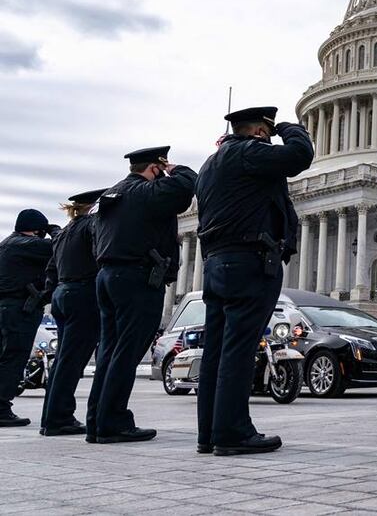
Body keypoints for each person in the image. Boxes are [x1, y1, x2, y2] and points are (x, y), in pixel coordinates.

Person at [194, 106, 314, 456]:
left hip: (217, 264)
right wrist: (290, 128)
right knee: (240, 350)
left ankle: (210, 433)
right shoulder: (249, 152)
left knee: (216, 351)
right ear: (260, 132)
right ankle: (233, 431)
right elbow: (299, 156)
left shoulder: (209, 164)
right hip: (248, 261)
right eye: (267, 131)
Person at [90, 146, 196, 444]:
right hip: (136, 278)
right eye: (160, 169)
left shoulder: (110, 196)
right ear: (154, 168)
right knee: (127, 352)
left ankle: (96, 420)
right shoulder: (144, 192)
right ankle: (113, 422)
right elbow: (189, 183)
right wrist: (175, 168)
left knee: (110, 351)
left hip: (108, 275)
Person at [40, 189, 106, 436]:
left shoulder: (64, 232)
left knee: (63, 359)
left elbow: (51, 270)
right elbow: (100, 254)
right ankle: (60, 418)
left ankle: (51, 416)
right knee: (72, 360)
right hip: (83, 293)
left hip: (62, 293)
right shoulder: (91, 226)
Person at [0, 209, 59, 427]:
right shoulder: (26, 244)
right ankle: (1, 408)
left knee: (5, 356)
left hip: (7, 307)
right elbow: (58, 246)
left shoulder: (8, 243)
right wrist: (56, 231)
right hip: (18, 309)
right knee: (13, 357)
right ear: (37, 229)